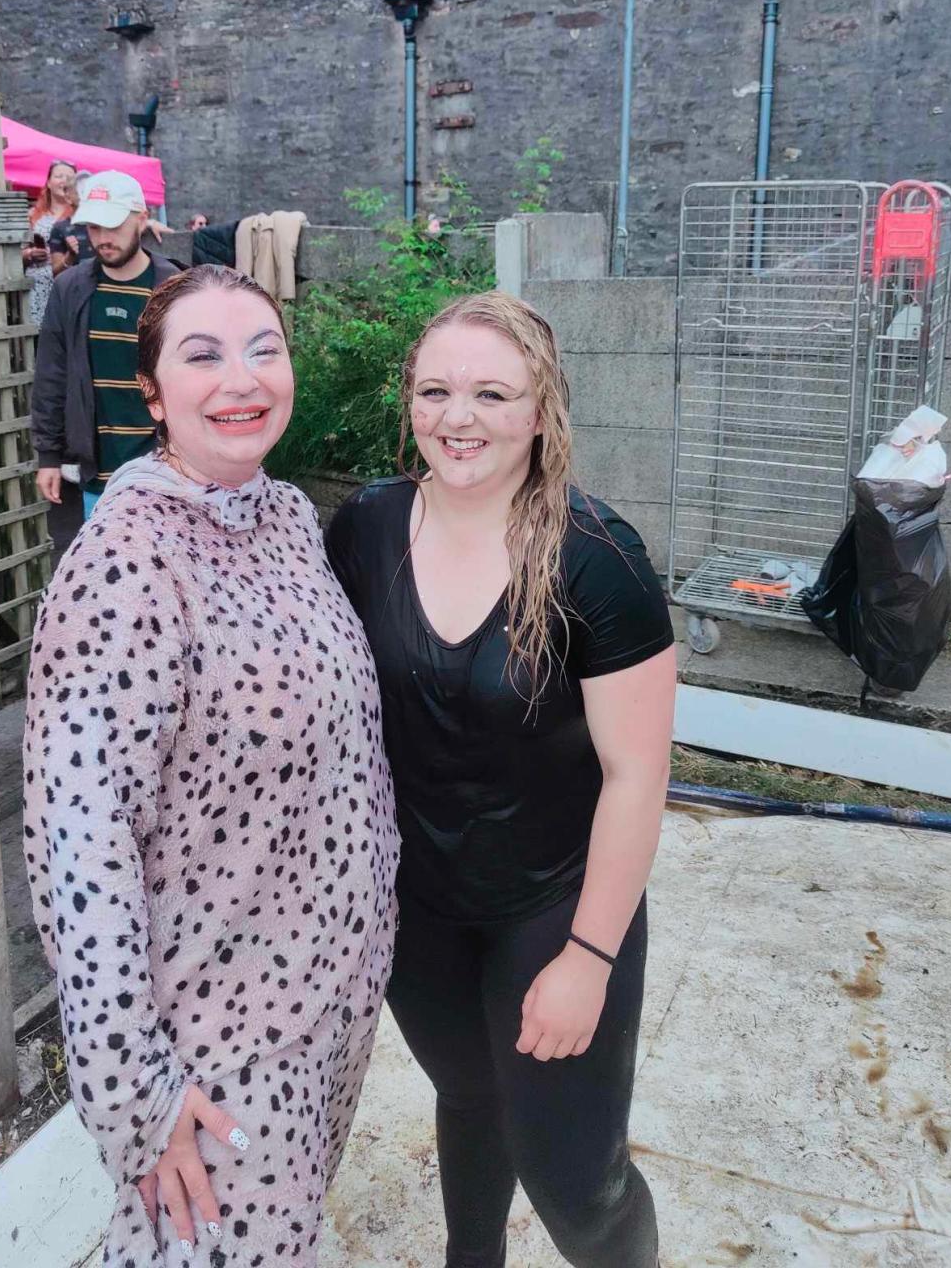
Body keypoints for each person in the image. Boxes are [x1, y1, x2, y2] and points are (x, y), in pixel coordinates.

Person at [23, 265, 398, 1266]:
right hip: (217, 1043)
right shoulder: (127, 559)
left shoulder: (283, 519)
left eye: (263, 348)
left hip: (327, 1003)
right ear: (151, 396)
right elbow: (77, 837)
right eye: (202, 355)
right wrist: (132, 1095)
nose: (242, 378)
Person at [326, 291, 676, 1268]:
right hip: (418, 913)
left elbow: (638, 774)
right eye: (435, 390)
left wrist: (589, 958)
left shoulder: (598, 559)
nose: (459, 416)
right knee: (470, 1097)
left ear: (540, 409)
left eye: (491, 392)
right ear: (409, 404)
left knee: (573, 1180)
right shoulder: (363, 529)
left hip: (552, 909)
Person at [31, 170, 178, 520]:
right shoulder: (71, 289)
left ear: (142, 219)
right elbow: (52, 373)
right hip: (99, 477)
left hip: (168, 472)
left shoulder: (174, 288)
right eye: (94, 227)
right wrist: (49, 456)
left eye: (113, 226)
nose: (102, 238)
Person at [23, 158, 78, 328]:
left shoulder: (81, 214)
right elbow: (16, 250)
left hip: (69, 281)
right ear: (48, 182)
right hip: (37, 283)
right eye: (59, 176)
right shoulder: (33, 215)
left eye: (69, 177)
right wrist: (28, 254)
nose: (64, 181)